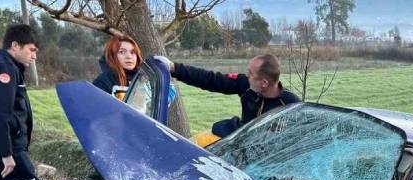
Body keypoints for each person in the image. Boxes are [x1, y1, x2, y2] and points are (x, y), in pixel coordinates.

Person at [153, 54, 300, 138]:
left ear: (264, 82)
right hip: (235, 142)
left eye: (251, 73)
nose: (246, 75)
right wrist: (174, 68)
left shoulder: (291, 105)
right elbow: (212, 80)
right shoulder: (245, 84)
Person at [0, 24, 50, 180]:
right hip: (10, 153)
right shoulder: (5, 68)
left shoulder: (8, 65)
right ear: (15, 45)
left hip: (8, 148)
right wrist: (6, 154)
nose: (34, 56)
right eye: (32, 49)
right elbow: (1, 114)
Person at [92, 35, 142, 100]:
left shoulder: (146, 80)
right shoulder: (103, 82)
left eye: (132, 52)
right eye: (122, 52)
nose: (129, 56)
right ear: (112, 56)